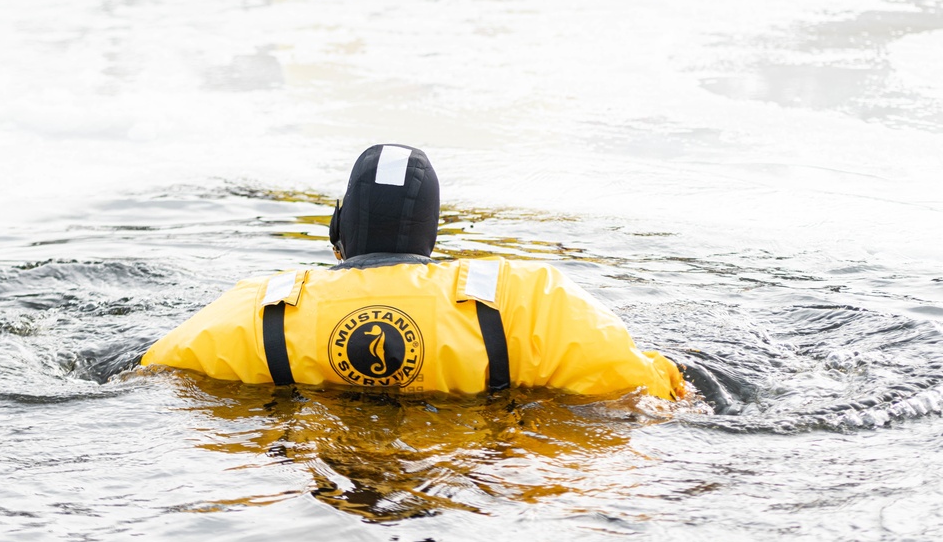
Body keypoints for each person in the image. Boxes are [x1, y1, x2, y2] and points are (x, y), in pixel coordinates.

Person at [143, 145, 687, 401]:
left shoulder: (259, 306)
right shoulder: (529, 299)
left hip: (313, 471)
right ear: (432, 236)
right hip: (475, 471)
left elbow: (151, 373)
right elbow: (642, 388)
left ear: (340, 231)